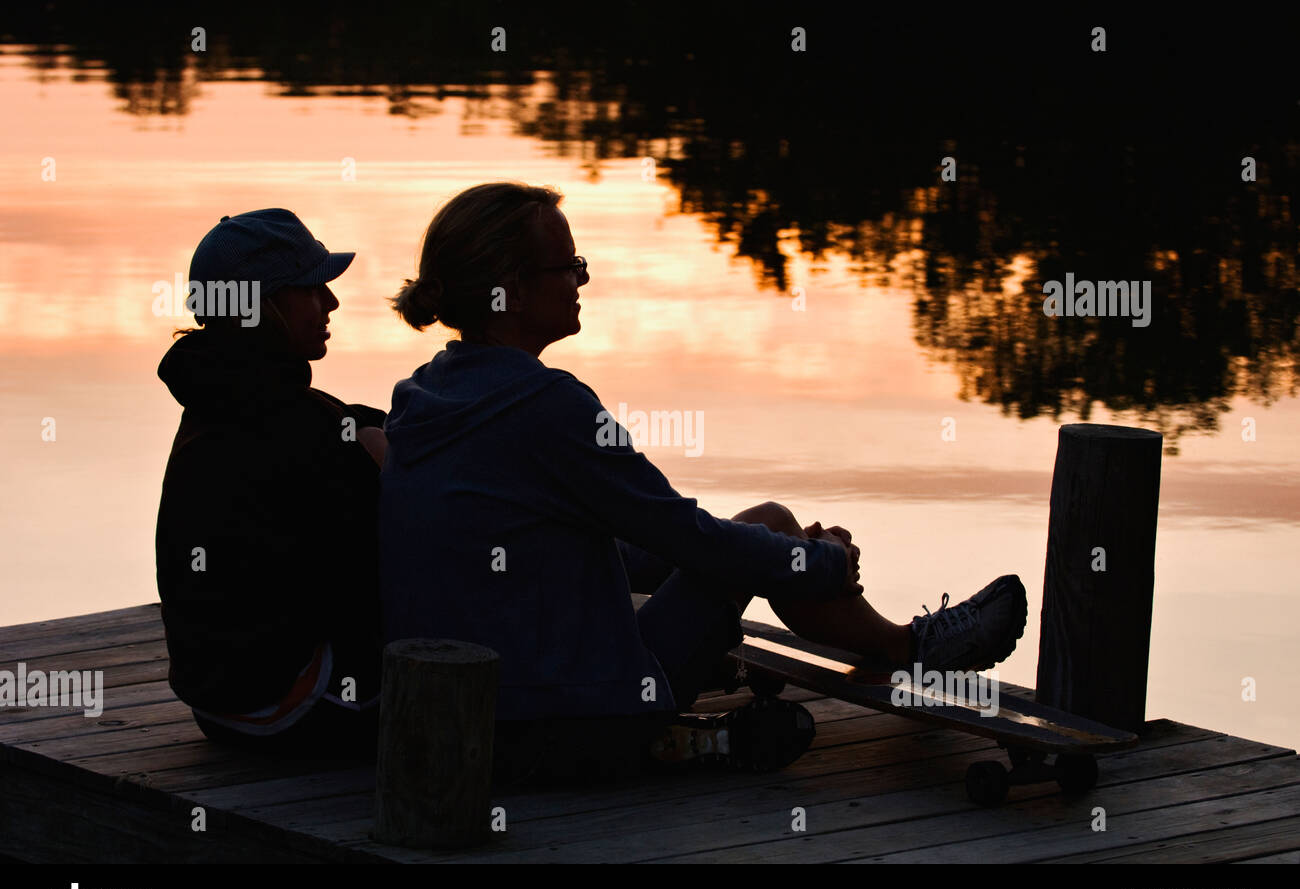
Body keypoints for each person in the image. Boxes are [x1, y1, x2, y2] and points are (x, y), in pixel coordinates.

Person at [380, 182, 1027, 784]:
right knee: (769, 521)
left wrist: (780, 561)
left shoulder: (425, 395)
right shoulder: (548, 405)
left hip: (470, 719)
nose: (582, 279)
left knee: (757, 538)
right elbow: (682, 534)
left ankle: (899, 643)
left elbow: (606, 540)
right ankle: (910, 648)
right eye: (567, 266)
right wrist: (816, 560)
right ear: (512, 292)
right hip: (573, 722)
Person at [156, 208, 387, 759]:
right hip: (283, 708)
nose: (330, 302)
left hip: (220, 704)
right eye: (312, 287)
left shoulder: (219, 398)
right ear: (264, 305)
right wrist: (383, 465)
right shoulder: (297, 427)